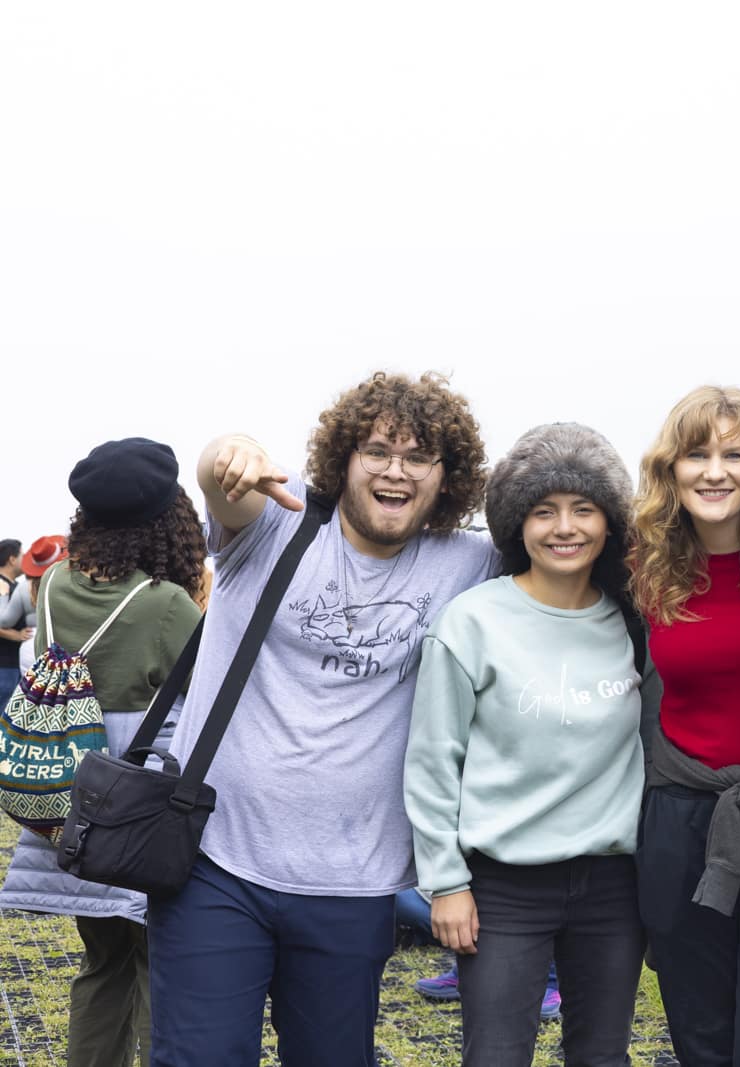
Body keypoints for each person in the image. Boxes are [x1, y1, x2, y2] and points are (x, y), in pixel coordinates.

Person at [146, 372, 498, 1067]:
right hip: (214, 863)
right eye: (378, 451)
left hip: (356, 883)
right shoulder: (275, 526)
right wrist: (231, 452)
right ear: (344, 459)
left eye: (419, 456)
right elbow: (221, 482)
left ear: (446, 477)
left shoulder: (469, 561)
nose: (396, 470)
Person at [405, 422, 653, 1067]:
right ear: (518, 523)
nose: (564, 528)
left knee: (602, 1056)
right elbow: (433, 761)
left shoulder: (634, 620)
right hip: (502, 887)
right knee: (495, 1055)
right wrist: (446, 884)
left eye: (583, 509)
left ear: (609, 522)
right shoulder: (472, 621)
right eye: (544, 511)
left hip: (613, 884)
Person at [0, 439, 206, 1067]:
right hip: (139, 804)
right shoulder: (165, 604)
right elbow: (208, 689)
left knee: (102, 962)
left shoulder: (55, 583)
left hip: (75, 794)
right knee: (156, 964)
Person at [629, 386, 740, 1066]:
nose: (715, 472)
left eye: (734, 455)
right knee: (700, 1037)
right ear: (670, 469)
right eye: (696, 455)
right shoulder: (643, 567)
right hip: (681, 820)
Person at [0, 537, 29, 692]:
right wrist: (16, 635)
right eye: (22, 556)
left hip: (14, 663)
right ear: (12, 559)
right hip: (4, 666)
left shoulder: (16, 586)